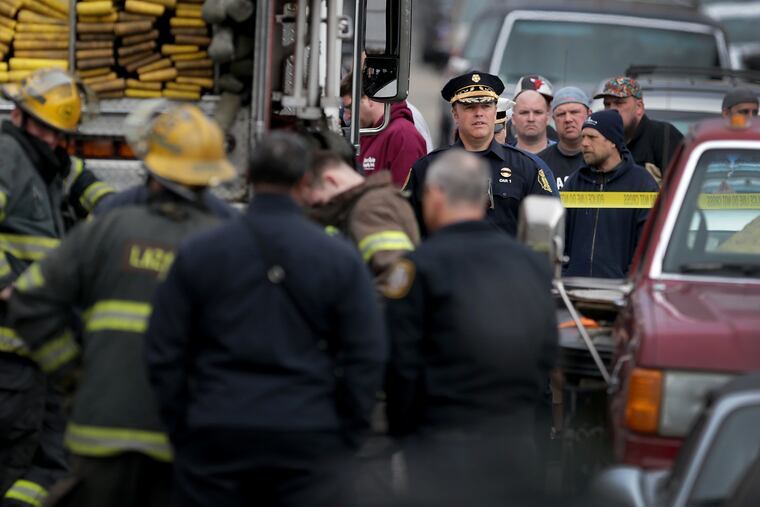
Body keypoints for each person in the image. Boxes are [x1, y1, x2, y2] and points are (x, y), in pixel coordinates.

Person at [6, 103, 235, 507]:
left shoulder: (110, 228)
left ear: (150, 163)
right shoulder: (231, 242)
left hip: (102, 430)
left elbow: (30, 302)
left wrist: (70, 373)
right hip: (190, 436)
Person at [145, 132, 387, 507]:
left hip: (216, 432)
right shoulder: (338, 258)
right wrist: (345, 431)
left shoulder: (200, 252)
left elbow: (163, 347)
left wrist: (184, 422)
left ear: (247, 179)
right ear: (306, 183)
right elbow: (366, 353)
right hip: (307, 435)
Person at [385, 149, 558, 506]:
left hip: (440, 445)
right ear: (484, 197)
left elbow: (400, 365)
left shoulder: (417, 269)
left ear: (434, 195)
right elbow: (546, 353)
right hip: (515, 440)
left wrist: (404, 434)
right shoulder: (532, 266)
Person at [0, 68, 115, 507]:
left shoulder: (48, 163)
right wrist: (10, 286)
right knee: (16, 458)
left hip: (39, 350)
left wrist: (126, 214)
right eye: (43, 130)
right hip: (11, 350)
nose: (50, 140)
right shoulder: (8, 155)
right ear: (18, 116)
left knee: (47, 461)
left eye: (57, 133)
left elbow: (89, 187)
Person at [405, 71, 558, 237]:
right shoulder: (428, 168)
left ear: (495, 112)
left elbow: (543, 233)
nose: (479, 113)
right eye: (470, 107)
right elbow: (407, 226)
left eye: (486, 106)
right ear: (455, 115)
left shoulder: (526, 167)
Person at [303, 150, 420, 294]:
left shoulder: (370, 208)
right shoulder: (374, 201)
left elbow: (394, 278)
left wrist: (356, 310)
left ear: (331, 180)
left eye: (319, 203)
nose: (321, 210)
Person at [563, 110, 659, 278]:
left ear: (613, 142)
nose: (584, 143)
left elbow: (648, 244)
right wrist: (566, 273)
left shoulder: (642, 184)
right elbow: (560, 235)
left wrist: (628, 280)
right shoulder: (575, 182)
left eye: (592, 137)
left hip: (620, 292)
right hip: (573, 289)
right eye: (583, 137)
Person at [340, 72, 427, 187]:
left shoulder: (403, 135)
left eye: (349, 108)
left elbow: (402, 199)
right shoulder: (369, 132)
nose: (346, 116)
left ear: (369, 99)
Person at [595, 76, 683, 181]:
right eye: (607, 104)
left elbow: (680, 186)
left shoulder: (663, 135)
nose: (611, 110)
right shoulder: (601, 140)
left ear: (639, 107)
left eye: (619, 103)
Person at [539, 87, 591, 190]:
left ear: (589, 114)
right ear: (553, 119)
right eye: (561, 114)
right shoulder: (540, 163)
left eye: (574, 112)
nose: (568, 119)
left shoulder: (602, 158)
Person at [506, 74, 558, 146]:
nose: (531, 118)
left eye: (538, 112)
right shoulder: (498, 145)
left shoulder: (559, 143)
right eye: (524, 112)